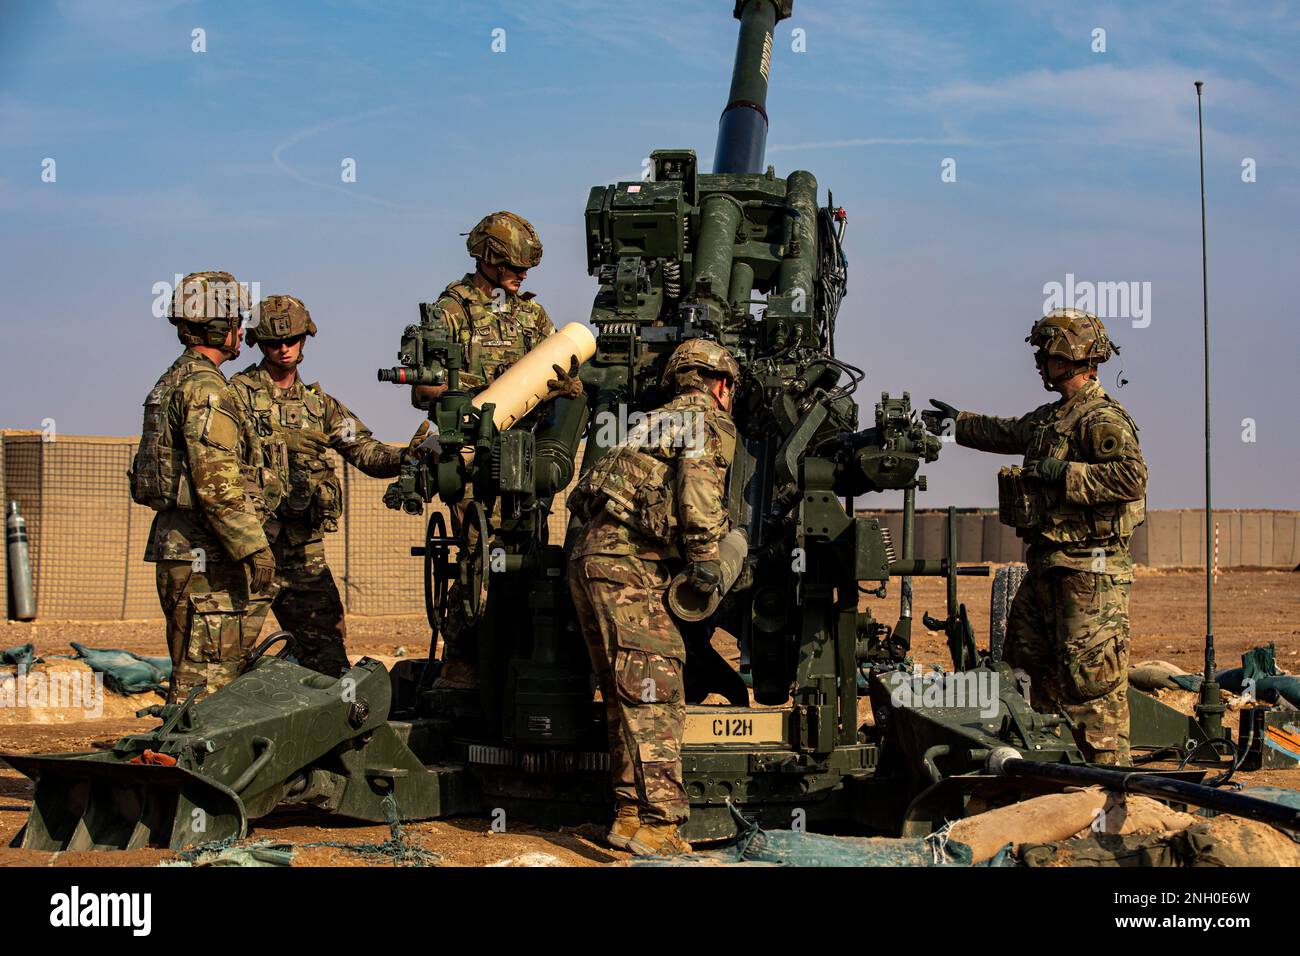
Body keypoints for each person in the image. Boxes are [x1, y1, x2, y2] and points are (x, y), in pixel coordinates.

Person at [922, 308, 1146, 765]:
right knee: (1024, 677)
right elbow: (1005, 431)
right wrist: (956, 425)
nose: (1040, 363)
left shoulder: (1101, 417)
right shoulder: (1053, 418)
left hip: (1090, 574)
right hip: (1047, 566)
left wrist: (1063, 473)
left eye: (1046, 353)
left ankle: (1110, 787)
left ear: (1070, 355)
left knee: (1091, 688)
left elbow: (1130, 478)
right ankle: (1045, 776)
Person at [567, 339, 740, 856]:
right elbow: (698, 487)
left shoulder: (646, 422)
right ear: (722, 385)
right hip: (629, 564)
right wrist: (707, 558)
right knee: (655, 692)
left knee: (623, 695)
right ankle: (662, 826)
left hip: (588, 561)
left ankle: (627, 815)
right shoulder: (704, 418)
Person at [421, 211, 581, 690]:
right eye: (514, 265)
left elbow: (557, 368)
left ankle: (514, 656)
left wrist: (563, 386)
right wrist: (483, 394)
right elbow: (424, 390)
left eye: (527, 268)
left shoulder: (531, 314)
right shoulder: (449, 312)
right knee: (479, 559)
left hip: (525, 460)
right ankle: (463, 660)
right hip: (473, 460)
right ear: (486, 259)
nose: (522, 276)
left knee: (527, 555)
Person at [230, 294, 416, 676]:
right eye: (273, 342)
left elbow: (365, 451)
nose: (283, 349)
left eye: (291, 340)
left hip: (303, 554)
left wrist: (409, 457)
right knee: (224, 660)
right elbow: (216, 461)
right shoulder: (235, 396)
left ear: (305, 339)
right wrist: (277, 445)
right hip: (249, 548)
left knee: (328, 661)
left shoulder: (320, 406)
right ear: (259, 344)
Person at [130, 271, 279, 702]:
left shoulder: (174, 378)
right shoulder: (206, 388)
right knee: (209, 682)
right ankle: (187, 764)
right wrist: (252, 546)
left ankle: (175, 759)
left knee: (191, 670)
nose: (241, 332)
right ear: (220, 328)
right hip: (205, 552)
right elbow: (215, 482)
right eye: (236, 321)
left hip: (180, 544)